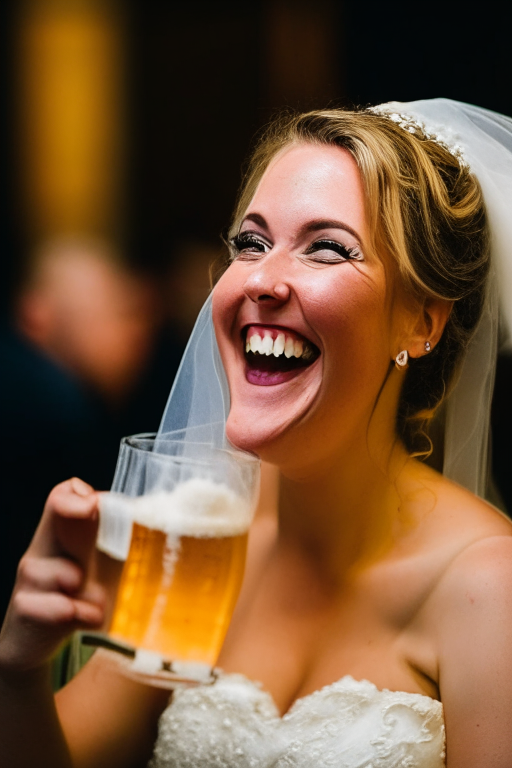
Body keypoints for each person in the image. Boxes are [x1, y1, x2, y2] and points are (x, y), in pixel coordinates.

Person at [1, 99, 512, 768]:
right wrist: (19, 669)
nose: (263, 279)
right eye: (251, 242)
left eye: (326, 248)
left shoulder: (488, 589)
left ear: (421, 321)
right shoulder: (203, 531)